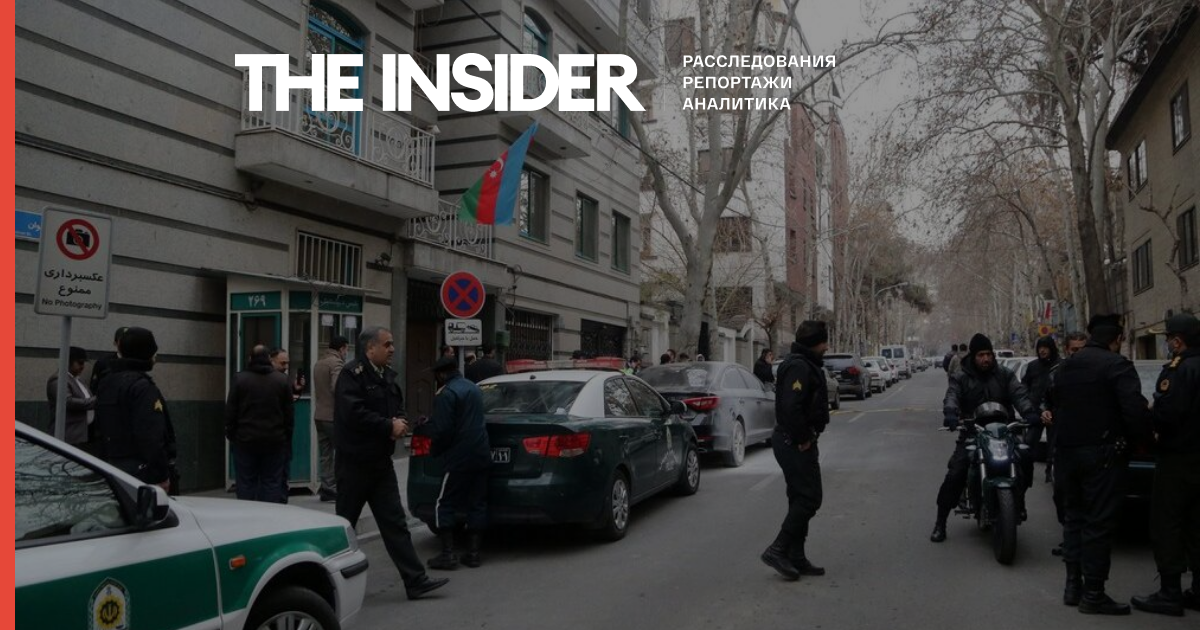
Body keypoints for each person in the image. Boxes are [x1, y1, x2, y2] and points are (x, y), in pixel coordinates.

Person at [1042, 314, 1151, 614]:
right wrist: (1142, 443)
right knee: (1098, 524)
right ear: (1116, 340)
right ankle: (1093, 593)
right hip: (1102, 455)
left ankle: (1072, 587)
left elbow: (1055, 404)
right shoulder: (1117, 365)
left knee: (1074, 520)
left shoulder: (1066, 367)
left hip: (1067, 454)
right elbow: (1134, 412)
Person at [335, 326, 448, 599]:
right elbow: (353, 413)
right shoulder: (352, 375)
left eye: (392, 344)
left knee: (396, 523)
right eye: (387, 344)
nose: (392, 349)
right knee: (342, 529)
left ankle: (415, 580)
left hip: (380, 464)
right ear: (369, 348)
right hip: (355, 464)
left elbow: (397, 407)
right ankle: (326, 586)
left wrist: (400, 422)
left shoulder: (386, 375)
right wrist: (388, 426)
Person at [931, 333, 1037, 543]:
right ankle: (940, 522)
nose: (986, 359)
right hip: (974, 431)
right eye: (981, 355)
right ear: (973, 356)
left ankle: (1019, 500)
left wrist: (1029, 412)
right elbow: (952, 395)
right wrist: (951, 413)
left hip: (1004, 431)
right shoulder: (961, 376)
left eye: (988, 354)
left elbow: (1019, 394)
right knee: (956, 472)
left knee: (1025, 458)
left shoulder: (1005, 374)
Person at [1131, 313, 1200, 616]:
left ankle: (1170, 593)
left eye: (1169, 339)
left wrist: (1150, 418)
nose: (1168, 345)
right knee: (1197, 524)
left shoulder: (1178, 370)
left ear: (1178, 341)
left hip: (1178, 459)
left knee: (1167, 523)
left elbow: (1167, 414)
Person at [761, 320, 830, 581]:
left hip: (795, 440)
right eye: (824, 342)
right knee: (810, 498)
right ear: (815, 343)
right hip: (794, 442)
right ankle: (778, 549)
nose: (827, 347)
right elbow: (791, 407)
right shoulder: (800, 366)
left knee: (799, 498)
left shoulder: (804, 363)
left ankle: (796, 556)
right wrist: (803, 438)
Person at [93, 327, 179, 494]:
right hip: (142, 472)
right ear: (145, 354)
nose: (156, 356)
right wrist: (161, 475)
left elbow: (100, 428)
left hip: (113, 466)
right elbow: (151, 435)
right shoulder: (142, 387)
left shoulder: (107, 382)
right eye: (153, 352)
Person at [424, 356, 491, 570]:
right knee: (477, 502)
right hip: (481, 452)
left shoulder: (447, 393)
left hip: (459, 456)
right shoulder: (473, 388)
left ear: (441, 374)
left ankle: (448, 554)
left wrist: (435, 450)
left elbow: (443, 429)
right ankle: (473, 553)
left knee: (444, 503)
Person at [225, 346, 293, 503]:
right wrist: (286, 437)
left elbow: (231, 411)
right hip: (274, 440)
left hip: (245, 440)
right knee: (272, 482)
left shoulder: (240, 379)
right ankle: (269, 513)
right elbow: (289, 415)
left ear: (250, 359)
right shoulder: (281, 380)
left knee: (246, 482)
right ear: (269, 359)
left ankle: (248, 513)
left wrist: (232, 435)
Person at [312, 335, 348, 502]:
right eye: (346, 349)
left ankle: (327, 488)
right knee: (342, 451)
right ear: (342, 348)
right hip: (333, 416)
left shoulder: (319, 363)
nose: (346, 353)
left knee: (325, 453)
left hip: (319, 415)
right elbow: (337, 387)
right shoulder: (336, 363)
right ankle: (338, 487)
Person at [1022, 336, 1061, 468]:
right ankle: (1026, 469)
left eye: (1045, 348)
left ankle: (1050, 470)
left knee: (1053, 446)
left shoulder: (1060, 366)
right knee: (1029, 443)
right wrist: (1029, 403)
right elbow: (1024, 386)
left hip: (1053, 412)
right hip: (1035, 412)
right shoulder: (1033, 366)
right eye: (1040, 348)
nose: (1042, 351)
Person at [46, 346, 95, 447]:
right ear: (68, 362)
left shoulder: (77, 379)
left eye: (83, 363)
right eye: (80, 363)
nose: (82, 367)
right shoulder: (58, 380)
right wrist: (96, 401)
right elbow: (68, 402)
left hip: (81, 434)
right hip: (68, 436)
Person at [89, 326, 128, 394]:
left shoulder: (138, 363)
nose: (127, 343)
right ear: (115, 343)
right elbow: (94, 388)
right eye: (123, 340)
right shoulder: (103, 362)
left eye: (130, 340)